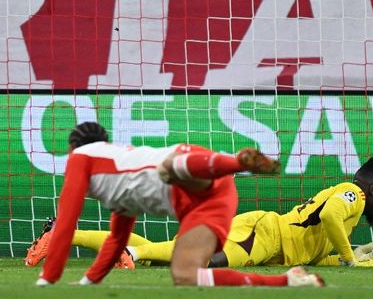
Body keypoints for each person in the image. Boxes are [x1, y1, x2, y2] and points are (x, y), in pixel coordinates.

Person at [35, 121, 324, 288]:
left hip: (194, 173)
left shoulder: (81, 159)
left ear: (72, 148)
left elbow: (67, 218)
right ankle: (287, 281)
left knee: (167, 169)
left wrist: (48, 279)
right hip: (214, 201)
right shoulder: (119, 190)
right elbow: (117, 237)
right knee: (185, 275)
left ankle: (236, 162)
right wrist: (89, 281)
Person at [26, 158, 373, 270]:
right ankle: (130, 254)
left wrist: (348, 257)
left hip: (265, 234)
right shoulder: (354, 195)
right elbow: (331, 216)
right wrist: (349, 259)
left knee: (168, 248)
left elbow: (315, 246)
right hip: (265, 234)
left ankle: (63, 232)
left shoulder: (348, 205)